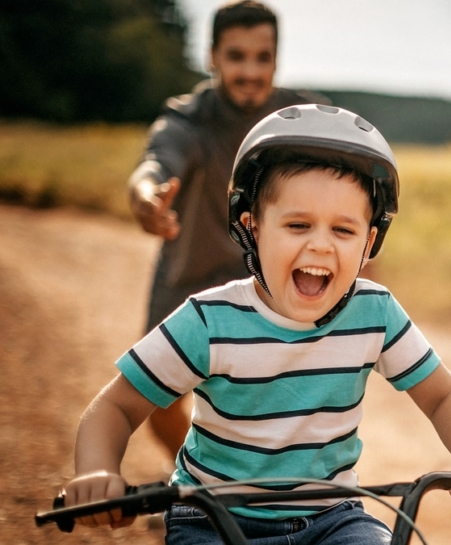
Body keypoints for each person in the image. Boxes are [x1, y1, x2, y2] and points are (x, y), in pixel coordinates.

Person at [62, 104, 451, 543]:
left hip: (334, 518)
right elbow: (114, 408)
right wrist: (98, 471)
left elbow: (444, 396)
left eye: (343, 230)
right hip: (213, 519)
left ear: (369, 242)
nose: (321, 245)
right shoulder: (209, 319)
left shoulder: (374, 313)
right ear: (252, 227)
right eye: (298, 225)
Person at [128, 0, 326, 462]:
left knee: (283, 400)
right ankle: (207, 485)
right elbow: (155, 164)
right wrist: (145, 196)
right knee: (157, 400)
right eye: (236, 56)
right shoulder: (190, 119)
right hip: (189, 277)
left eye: (263, 58)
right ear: (211, 57)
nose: (251, 71)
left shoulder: (302, 116)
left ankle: (270, 498)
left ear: (277, 59)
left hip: (273, 280)